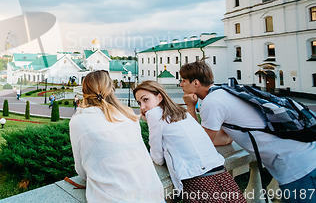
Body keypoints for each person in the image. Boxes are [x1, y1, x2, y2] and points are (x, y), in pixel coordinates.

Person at [180, 60, 316, 203]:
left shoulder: (212, 102)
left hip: (296, 168)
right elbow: (226, 139)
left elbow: (201, 142)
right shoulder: (226, 91)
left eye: (184, 80)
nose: (181, 84)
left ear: (196, 83)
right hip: (305, 155)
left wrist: (190, 107)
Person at [133, 80, 245, 203]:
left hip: (197, 178)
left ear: (159, 97)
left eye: (145, 100)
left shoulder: (154, 113)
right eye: (139, 103)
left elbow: (157, 157)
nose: (142, 107)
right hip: (219, 171)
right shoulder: (182, 112)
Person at [69, 70, 165, 202]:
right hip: (153, 194)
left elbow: (81, 170)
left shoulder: (78, 121)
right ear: (112, 89)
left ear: (84, 92)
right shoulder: (128, 115)